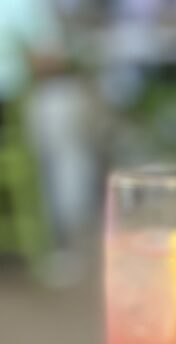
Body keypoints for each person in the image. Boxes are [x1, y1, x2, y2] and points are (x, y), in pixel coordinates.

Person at [0, 0, 98, 276]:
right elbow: (50, 60)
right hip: (13, 123)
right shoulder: (24, 5)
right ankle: (60, 239)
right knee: (64, 113)